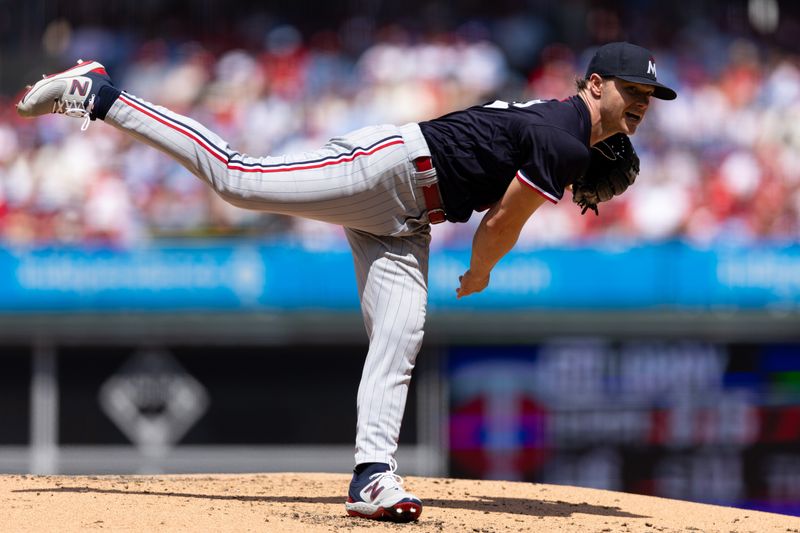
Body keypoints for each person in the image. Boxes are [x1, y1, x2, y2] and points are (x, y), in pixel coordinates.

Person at [16, 41, 676, 522]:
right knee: (239, 178)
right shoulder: (563, 136)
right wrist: (480, 270)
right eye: (632, 91)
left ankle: (372, 476)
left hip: (410, 210)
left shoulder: (562, 124)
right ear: (595, 83)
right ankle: (101, 94)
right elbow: (501, 224)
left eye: (650, 97)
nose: (642, 104)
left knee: (401, 328)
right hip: (388, 170)